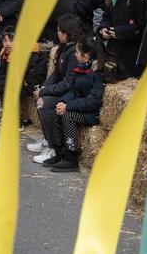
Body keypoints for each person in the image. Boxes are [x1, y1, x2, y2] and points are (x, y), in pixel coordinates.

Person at [33, 32, 103, 172]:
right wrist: (63, 102)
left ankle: (71, 156)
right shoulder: (81, 70)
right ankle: (59, 152)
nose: (75, 55)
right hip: (78, 106)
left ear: (86, 55)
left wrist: (69, 106)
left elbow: (93, 101)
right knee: (56, 111)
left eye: (77, 52)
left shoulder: (97, 75)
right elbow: (73, 91)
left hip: (90, 113)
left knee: (68, 116)